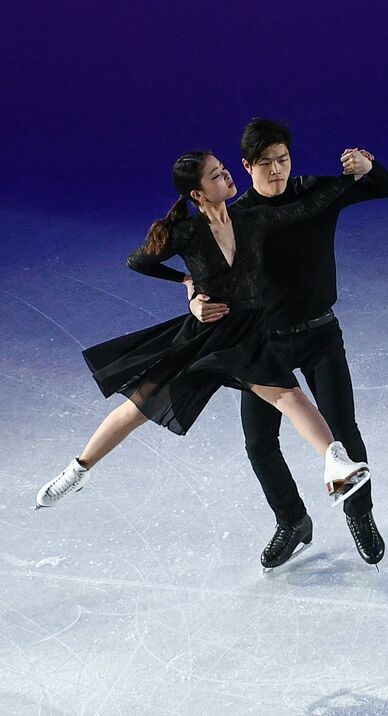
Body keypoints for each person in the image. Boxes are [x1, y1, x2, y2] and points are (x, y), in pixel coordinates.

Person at [35, 150, 370, 533]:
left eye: (224, 169)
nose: (226, 176)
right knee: (139, 407)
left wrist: (353, 178)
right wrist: (187, 284)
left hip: (247, 335)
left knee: (288, 396)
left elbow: (309, 207)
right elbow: (138, 261)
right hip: (205, 338)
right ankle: (77, 470)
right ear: (198, 194)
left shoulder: (253, 219)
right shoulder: (188, 233)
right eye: (215, 175)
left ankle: (337, 466)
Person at [193, 118, 388, 569]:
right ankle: (292, 521)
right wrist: (194, 302)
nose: (277, 170)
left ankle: (359, 515)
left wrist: (368, 166)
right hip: (262, 346)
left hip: (321, 335)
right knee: (259, 444)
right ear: (246, 166)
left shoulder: (313, 194)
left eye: (283, 160)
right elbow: (198, 269)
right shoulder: (236, 218)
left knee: (343, 433)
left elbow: (384, 188)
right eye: (266, 163)